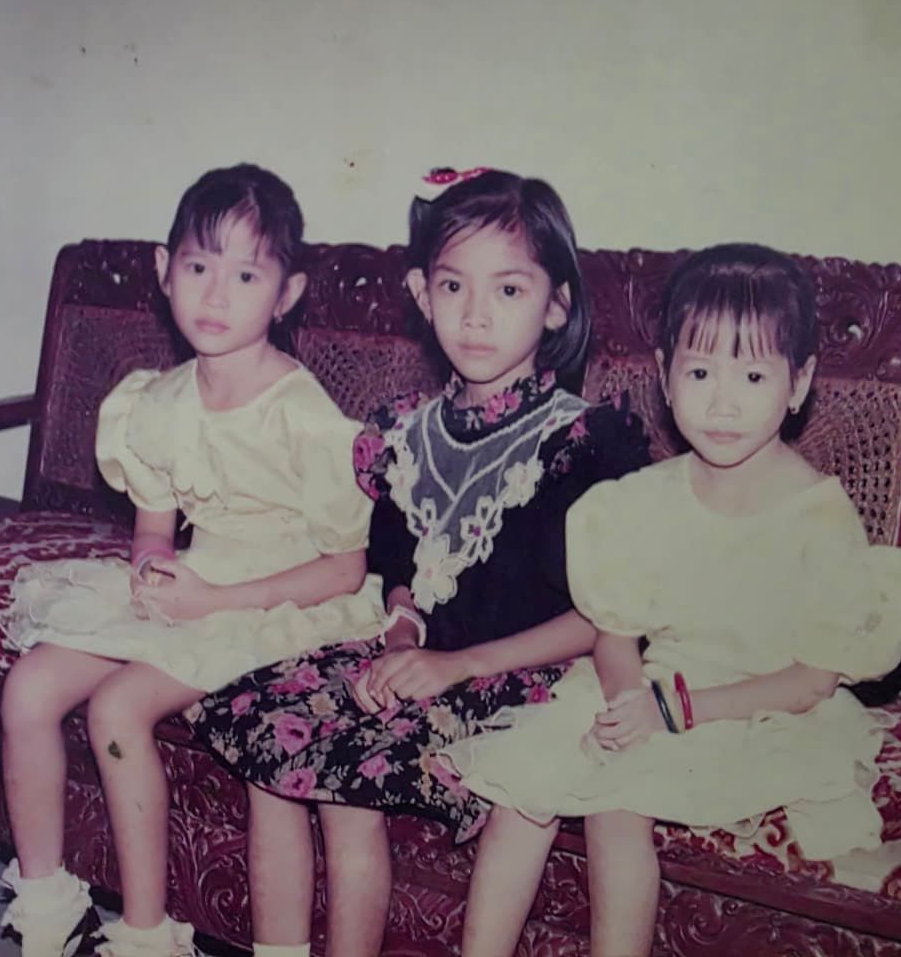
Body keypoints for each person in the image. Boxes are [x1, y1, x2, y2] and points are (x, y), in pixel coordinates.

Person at [188, 169, 652, 957]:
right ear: (420, 293)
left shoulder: (582, 443)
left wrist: (456, 664)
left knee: (341, 766)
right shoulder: (406, 432)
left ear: (556, 304)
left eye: (509, 290)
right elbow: (401, 566)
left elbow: (603, 620)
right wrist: (402, 630)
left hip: (523, 679)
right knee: (265, 725)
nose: (476, 315)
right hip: (426, 660)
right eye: (453, 285)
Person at [441, 243, 901, 957]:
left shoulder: (817, 517)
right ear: (666, 376)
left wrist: (671, 712)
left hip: (758, 706)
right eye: (700, 372)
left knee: (617, 805)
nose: (722, 402)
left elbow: (810, 681)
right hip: (649, 688)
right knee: (524, 793)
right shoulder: (640, 501)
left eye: (753, 375)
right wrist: (624, 700)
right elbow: (614, 630)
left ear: (798, 383)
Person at [0, 164, 383, 957]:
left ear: (286, 294)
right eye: (199, 266)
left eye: (245, 276)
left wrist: (211, 600)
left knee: (117, 708)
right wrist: (151, 568)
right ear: (163, 270)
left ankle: (145, 933)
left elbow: (344, 571)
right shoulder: (157, 401)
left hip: (283, 604)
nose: (215, 295)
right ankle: (47, 908)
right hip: (198, 587)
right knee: (30, 685)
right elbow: (153, 529)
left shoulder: (303, 416)